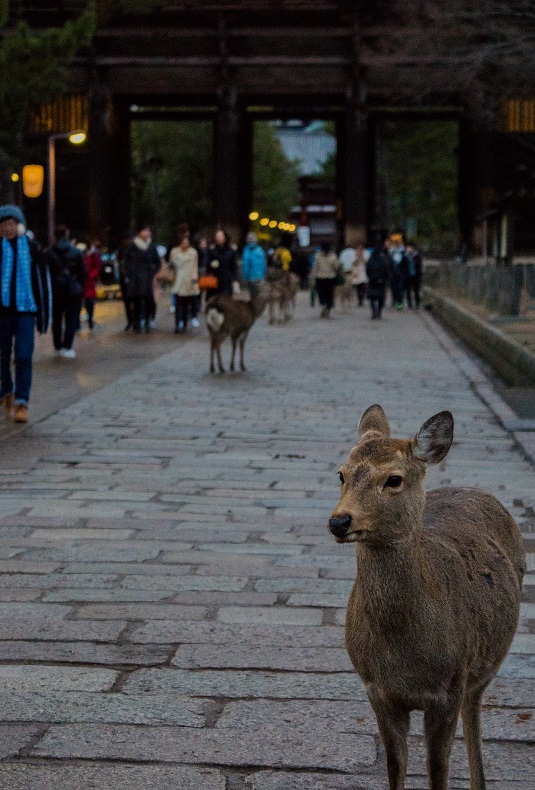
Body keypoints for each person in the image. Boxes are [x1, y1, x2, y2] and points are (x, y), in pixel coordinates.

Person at [0, 204, 51, 423]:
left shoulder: (32, 249)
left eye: (12, 224)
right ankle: (6, 390)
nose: (8, 228)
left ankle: (22, 401)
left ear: (20, 226)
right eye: (4, 225)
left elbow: (43, 284)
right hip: (1, 312)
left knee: (23, 356)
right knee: (2, 357)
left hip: (26, 312)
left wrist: (44, 317)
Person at [44, 225, 86, 358]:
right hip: (72, 290)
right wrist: (79, 285)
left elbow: (46, 273)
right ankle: (68, 346)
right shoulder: (75, 251)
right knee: (71, 319)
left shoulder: (49, 252)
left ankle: (58, 346)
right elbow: (82, 272)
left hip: (56, 290)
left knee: (56, 319)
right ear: (67, 234)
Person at [121, 225, 161, 333]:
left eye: (147, 231)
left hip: (148, 277)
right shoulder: (133, 246)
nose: (146, 233)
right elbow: (126, 261)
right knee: (137, 301)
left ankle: (148, 322)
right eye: (144, 230)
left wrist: (154, 273)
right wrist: (129, 273)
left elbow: (157, 261)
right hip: (136, 278)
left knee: (149, 300)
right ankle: (137, 323)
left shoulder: (152, 246)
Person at [169, 232, 200, 333]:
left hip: (189, 281)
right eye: (183, 242)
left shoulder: (193, 252)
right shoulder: (174, 252)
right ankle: (178, 324)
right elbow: (171, 266)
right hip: (178, 281)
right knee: (178, 304)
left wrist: (195, 280)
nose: (184, 244)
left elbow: (195, 267)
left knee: (187, 305)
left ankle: (185, 323)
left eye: (186, 242)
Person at [310, 241, 340, 318]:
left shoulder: (317, 256)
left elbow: (315, 267)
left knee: (321, 294)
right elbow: (336, 267)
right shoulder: (333, 256)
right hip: (330, 278)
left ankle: (323, 305)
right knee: (329, 295)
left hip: (320, 278)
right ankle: (328, 309)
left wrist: (312, 276)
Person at [206, 229, 238, 298]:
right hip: (214, 282)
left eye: (220, 236)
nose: (219, 238)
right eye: (217, 236)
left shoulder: (231, 251)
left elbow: (234, 267)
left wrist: (235, 281)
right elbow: (206, 264)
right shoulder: (212, 250)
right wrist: (211, 264)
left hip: (226, 282)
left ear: (225, 238)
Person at [366, 239, 391, 320]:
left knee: (372, 297)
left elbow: (367, 269)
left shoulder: (371, 258)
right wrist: (387, 278)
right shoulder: (384, 259)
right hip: (382, 280)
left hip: (372, 280)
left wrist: (369, 277)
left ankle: (374, 312)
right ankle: (379, 312)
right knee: (381, 297)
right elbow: (387, 269)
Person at [83, 240, 102, 330]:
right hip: (83, 280)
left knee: (90, 300)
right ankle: (89, 316)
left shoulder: (93, 254)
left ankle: (90, 317)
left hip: (89, 281)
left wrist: (91, 276)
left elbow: (97, 266)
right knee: (86, 300)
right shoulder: (83, 253)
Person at [241, 232, 266, 296]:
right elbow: (264, 264)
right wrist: (263, 275)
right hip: (260, 277)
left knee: (252, 296)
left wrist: (245, 277)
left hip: (251, 278)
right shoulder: (260, 250)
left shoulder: (247, 250)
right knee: (259, 295)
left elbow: (246, 265)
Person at [388, 233, 409, 310]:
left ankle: (400, 302)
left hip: (401, 273)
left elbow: (406, 263)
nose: (395, 243)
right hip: (393, 273)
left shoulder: (404, 251)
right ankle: (394, 301)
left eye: (397, 241)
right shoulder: (392, 251)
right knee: (394, 288)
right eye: (394, 241)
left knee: (400, 288)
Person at [405, 243, 423, 309]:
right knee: (408, 290)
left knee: (416, 290)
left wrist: (420, 274)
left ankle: (417, 303)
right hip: (408, 275)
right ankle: (410, 304)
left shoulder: (417, 255)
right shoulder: (406, 256)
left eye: (409, 248)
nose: (408, 249)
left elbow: (419, 265)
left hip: (416, 275)